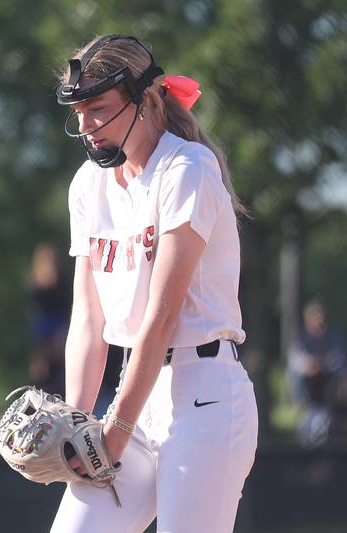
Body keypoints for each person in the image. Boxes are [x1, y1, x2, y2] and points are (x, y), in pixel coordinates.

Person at [49, 34, 258, 533]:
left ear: (145, 100)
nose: (84, 126)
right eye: (78, 111)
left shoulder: (186, 169)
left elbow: (161, 319)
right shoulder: (88, 185)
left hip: (204, 396)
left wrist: (114, 433)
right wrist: (73, 426)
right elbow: (87, 320)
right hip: (137, 394)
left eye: (97, 108)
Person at [286, 300, 346, 446]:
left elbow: (338, 358)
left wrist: (322, 364)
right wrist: (309, 365)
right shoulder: (301, 338)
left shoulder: (332, 337)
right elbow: (294, 359)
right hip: (307, 386)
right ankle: (301, 407)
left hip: (327, 383)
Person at [28, 243, 71, 398]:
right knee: (42, 366)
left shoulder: (62, 281)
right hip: (44, 325)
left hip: (58, 324)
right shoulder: (35, 282)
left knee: (60, 362)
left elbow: (66, 305)